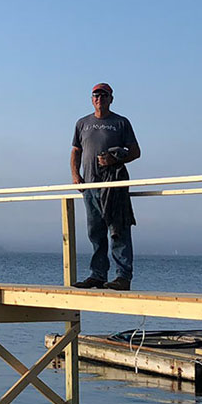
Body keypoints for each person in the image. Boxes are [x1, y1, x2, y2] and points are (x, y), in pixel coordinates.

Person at [70, 82, 140, 290]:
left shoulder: (121, 123)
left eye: (104, 95)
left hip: (114, 186)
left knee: (118, 230)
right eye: (96, 95)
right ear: (91, 99)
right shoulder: (82, 123)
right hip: (90, 186)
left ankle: (123, 276)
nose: (99, 98)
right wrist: (75, 175)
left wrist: (114, 158)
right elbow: (76, 151)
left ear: (111, 99)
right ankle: (98, 275)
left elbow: (135, 151)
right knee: (95, 232)